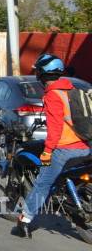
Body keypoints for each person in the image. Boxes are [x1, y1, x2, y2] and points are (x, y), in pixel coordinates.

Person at [14, 54, 91, 237]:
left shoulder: (52, 95)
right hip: (86, 146)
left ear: (42, 74)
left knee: (42, 183)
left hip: (65, 149)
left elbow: (55, 129)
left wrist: (48, 151)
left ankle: (24, 220)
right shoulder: (72, 89)